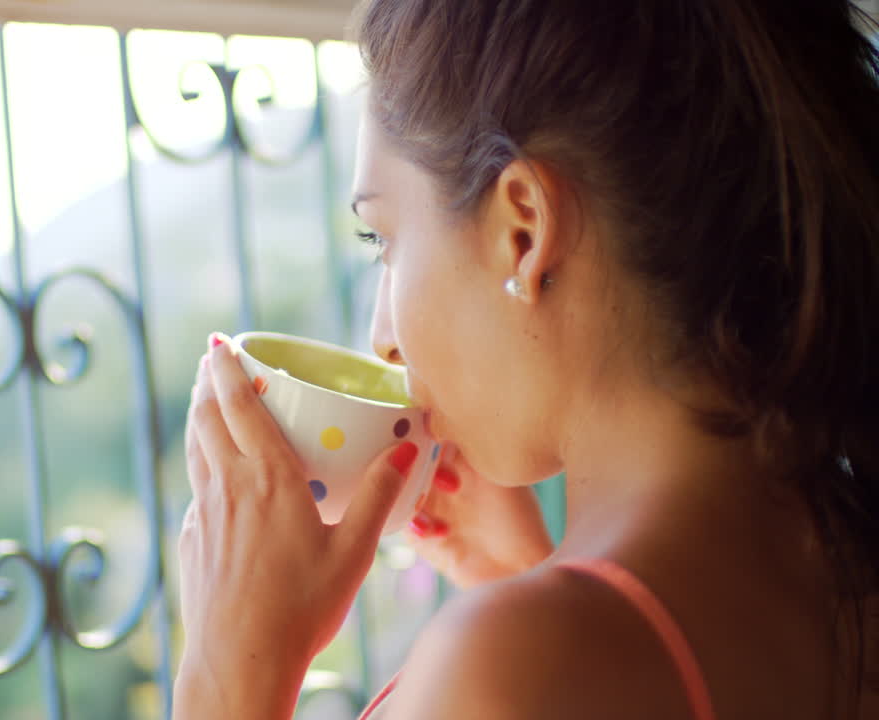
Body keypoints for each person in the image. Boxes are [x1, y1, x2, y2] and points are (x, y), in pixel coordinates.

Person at [173, 0, 879, 717]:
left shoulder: (503, 669)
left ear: (523, 229)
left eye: (382, 240)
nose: (383, 336)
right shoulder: (841, 575)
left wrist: (226, 674)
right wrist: (528, 578)